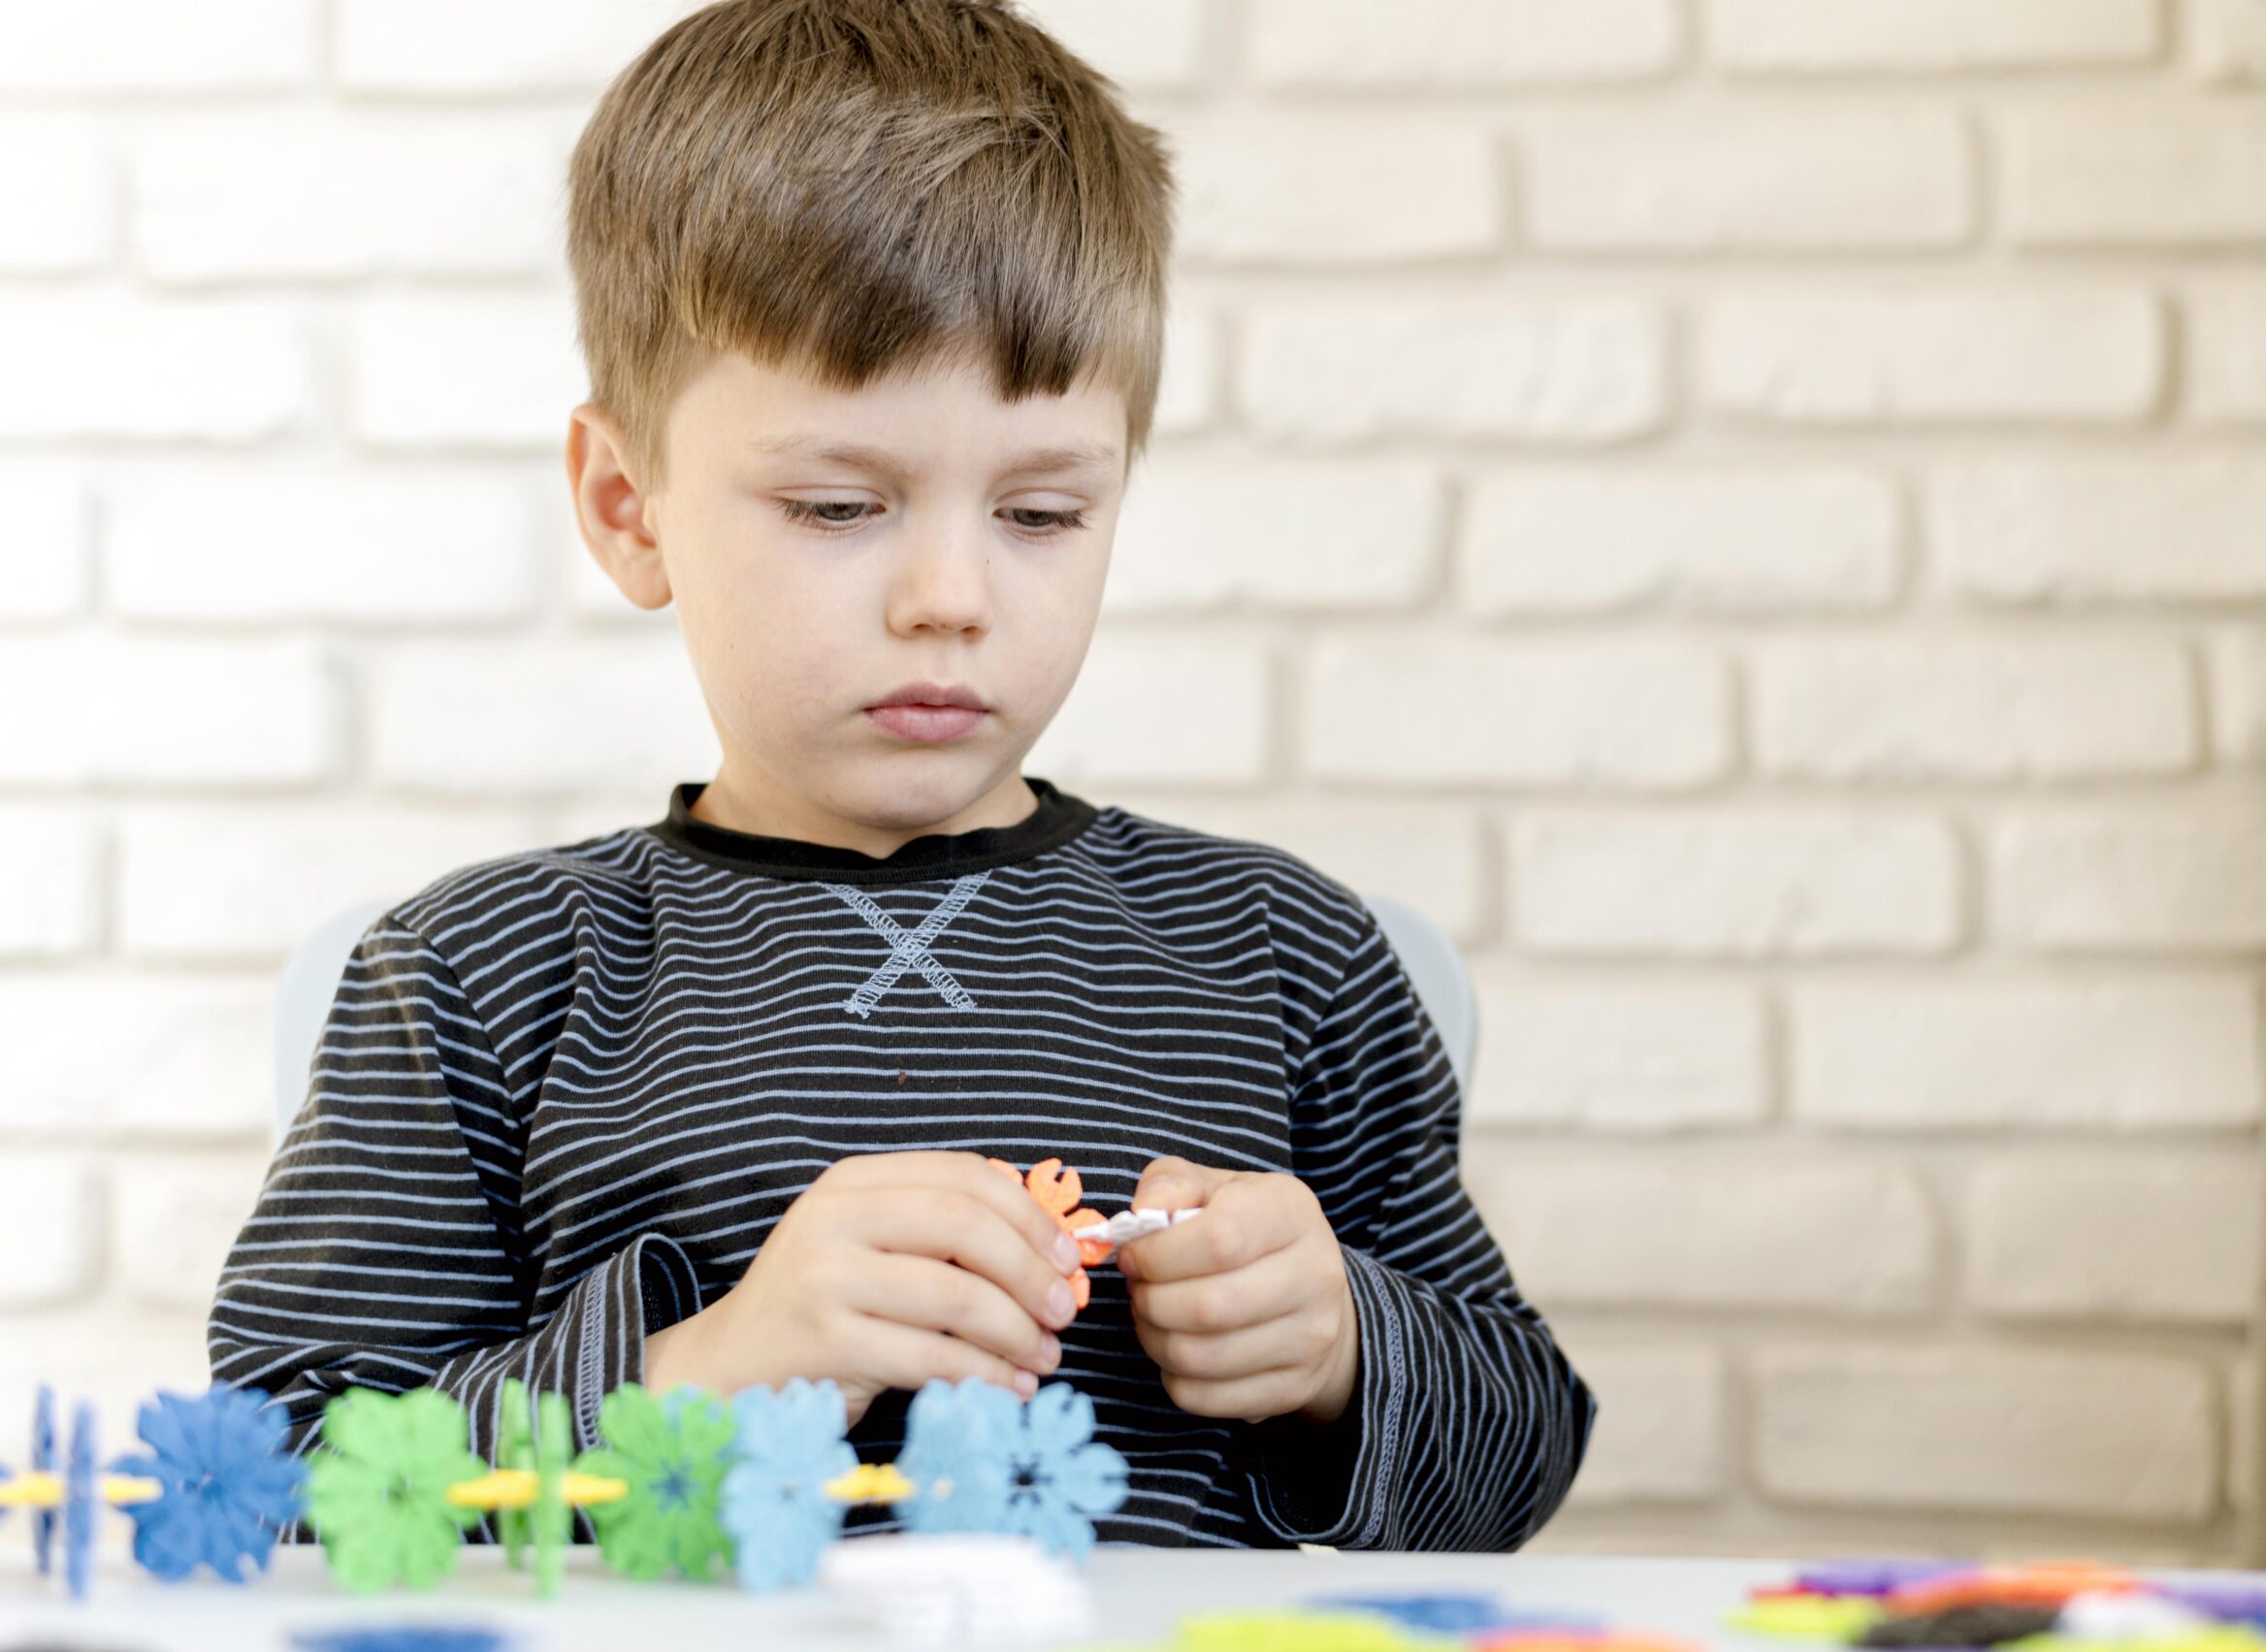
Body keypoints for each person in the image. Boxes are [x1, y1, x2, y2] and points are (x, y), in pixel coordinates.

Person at [208, 0, 1593, 1551]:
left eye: (1044, 515)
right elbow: (282, 1487)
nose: (952, 594)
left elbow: (1521, 1451)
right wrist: (718, 1370)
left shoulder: (1292, 962)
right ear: (627, 504)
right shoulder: (476, 983)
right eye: (838, 505)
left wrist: (1343, 1353)